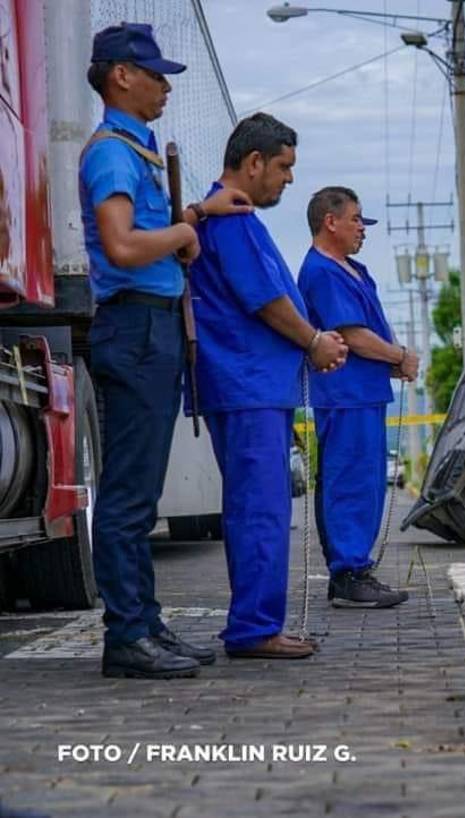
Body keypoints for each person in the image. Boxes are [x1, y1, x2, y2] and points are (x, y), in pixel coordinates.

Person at [80, 23, 252, 679]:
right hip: (135, 328)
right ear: (121, 74)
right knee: (128, 496)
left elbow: (148, 231)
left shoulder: (136, 149)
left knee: (141, 492)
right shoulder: (112, 154)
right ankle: (126, 635)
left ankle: (144, 623)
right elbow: (123, 246)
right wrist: (185, 227)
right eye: (156, 75)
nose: (165, 87)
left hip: (149, 328)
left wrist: (199, 214)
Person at [189, 113, 348, 660]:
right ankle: (254, 628)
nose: (288, 179)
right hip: (247, 384)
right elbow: (264, 299)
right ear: (253, 163)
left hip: (251, 385)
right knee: (259, 509)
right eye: (283, 167)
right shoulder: (231, 220)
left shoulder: (234, 218)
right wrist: (312, 342)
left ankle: (255, 622)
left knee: (258, 506)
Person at [297, 187, 419, 608]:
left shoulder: (352, 270)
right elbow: (351, 334)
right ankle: (347, 572)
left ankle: (357, 568)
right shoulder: (322, 272)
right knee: (348, 481)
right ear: (330, 222)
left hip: (364, 392)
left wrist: (390, 362)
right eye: (355, 220)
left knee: (367, 482)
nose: (361, 230)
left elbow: (368, 334)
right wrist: (398, 355)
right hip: (343, 393)